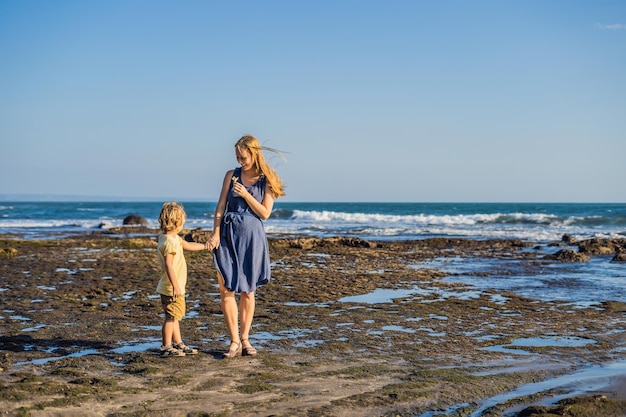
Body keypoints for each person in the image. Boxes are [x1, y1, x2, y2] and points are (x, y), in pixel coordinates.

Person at [207, 134, 285, 358]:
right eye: (237, 157)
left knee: (248, 292)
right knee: (226, 289)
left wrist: (245, 195)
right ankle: (233, 341)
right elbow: (221, 206)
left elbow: (265, 213)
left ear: (254, 153)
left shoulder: (267, 179)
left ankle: (245, 340)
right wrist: (215, 233)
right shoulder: (231, 175)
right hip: (228, 235)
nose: (240, 161)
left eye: (243, 157)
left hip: (252, 237)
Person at [156, 201, 212, 357]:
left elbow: (188, 245)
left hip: (173, 286)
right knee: (170, 317)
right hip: (171, 287)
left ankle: (178, 342)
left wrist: (206, 246)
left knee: (175, 317)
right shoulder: (169, 243)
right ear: (176, 223)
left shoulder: (171, 238)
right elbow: (169, 265)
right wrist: (176, 286)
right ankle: (166, 346)